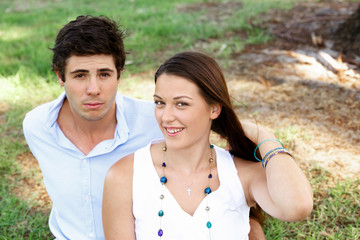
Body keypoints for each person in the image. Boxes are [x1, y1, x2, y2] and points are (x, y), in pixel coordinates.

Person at [22, 16, 266, 239]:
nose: (94, 88)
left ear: (119, 75)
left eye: (104, 74)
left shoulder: (159, 122)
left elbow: (223, 178)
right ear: (60, 76)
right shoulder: (38, 127)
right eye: (80, 75)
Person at [102, 51, 313, 239]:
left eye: (181, 104)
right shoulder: (125, 175)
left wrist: (265, 138)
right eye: (160, 103)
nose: (166, 117)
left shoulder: (241, 173)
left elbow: (297, 207)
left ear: (214, 109)